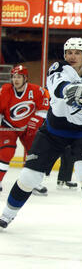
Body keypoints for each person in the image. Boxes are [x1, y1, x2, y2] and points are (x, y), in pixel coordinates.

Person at [0, 38, 82, 238]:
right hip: (55, 131)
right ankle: (6, 215)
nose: (72, 56)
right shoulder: (58, 68)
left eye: (77, 53)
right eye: (69, 52)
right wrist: (70, 90)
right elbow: (58, 86)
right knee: (29, 176)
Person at [0, 65, 49, 196]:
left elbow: (44, 108)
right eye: (14, 77)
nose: (15, 80)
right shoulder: (5, 90)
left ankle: (31, 183)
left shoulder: (37, 90)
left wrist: (34, 123)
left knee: (34, 154)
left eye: (19, 77)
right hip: (9, 126)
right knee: (6, 152)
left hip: (28, 128)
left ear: (25, 78)